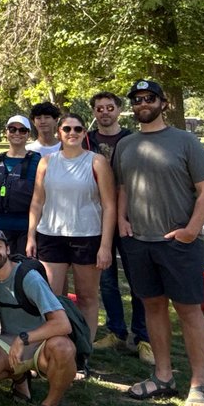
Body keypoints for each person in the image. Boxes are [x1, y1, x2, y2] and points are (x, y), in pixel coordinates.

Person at [114, 79, 204, 406]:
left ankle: (198, 383)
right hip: (139, 242)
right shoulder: (126, 145)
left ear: (162, 102)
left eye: (149, 98)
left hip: (178, 243)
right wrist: (122, 220)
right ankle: (163, 376)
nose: (142, 103)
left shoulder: (185, 141)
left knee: (188, 311)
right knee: (153, 307)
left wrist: (190, 230)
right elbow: (123, 187)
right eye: (137, 99)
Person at [0, 228, 77, 406]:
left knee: (64, 348)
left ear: (7, 249)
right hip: (8, 339)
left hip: (41, 342)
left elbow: (63, 324)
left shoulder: (29, 277)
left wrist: (23, 339)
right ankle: (20, 379)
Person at [26, 112, 115, 341]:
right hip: (51, 236)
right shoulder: (46, 162)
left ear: (84, 133)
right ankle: (53, 347)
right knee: (51, 298)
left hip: (87, 236)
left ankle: (84, 349)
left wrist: (105, 246)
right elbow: (37, 201)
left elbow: (109, 205)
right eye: (67, 129)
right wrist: (31, 236)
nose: (72, 133)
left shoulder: (96, 162)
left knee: (87, 298)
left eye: (77, 129)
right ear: (59, 132)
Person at [83, 91, 151, 362]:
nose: (104, 112)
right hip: (96, 216)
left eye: (110, 107)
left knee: (138, 279)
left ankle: (143, 336)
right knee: (107, 279)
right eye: (99, 108)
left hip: (130, 215)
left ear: (119, 110)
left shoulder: (133, 140)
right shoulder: (86, 140)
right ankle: (115, 331)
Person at [0, 114, 41, 257]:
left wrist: (32, 236)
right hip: (1, 227)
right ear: (6, 132)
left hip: (26, 228)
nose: (17, 133)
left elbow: (41, 198)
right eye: (12, 129)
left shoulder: (37, 161)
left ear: (28, 134)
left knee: (25, 270)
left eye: (22, 130)